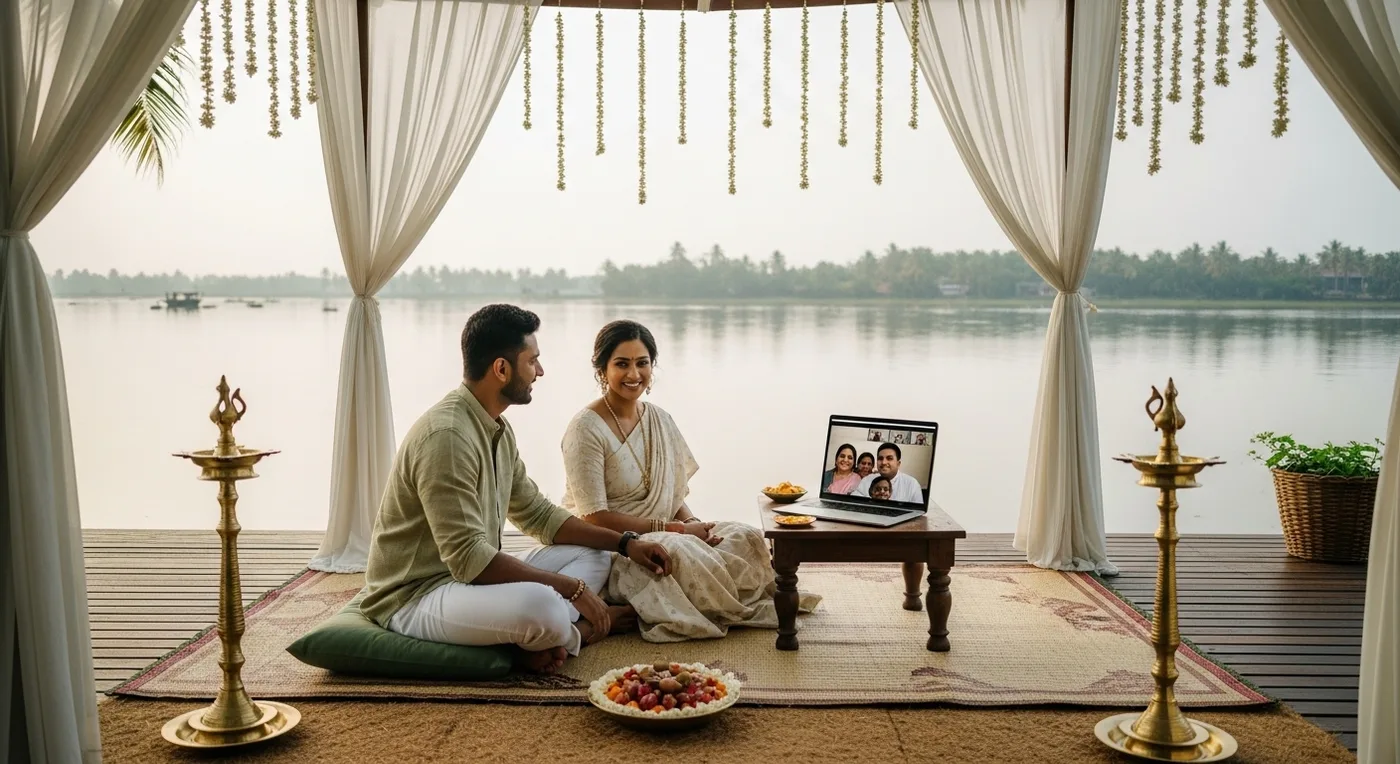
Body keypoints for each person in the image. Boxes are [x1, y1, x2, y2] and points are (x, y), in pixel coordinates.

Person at [359, 305, 673, 675]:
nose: (540, 371)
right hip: (418, 594)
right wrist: (571, 590)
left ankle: (542, 635)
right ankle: (579, 632)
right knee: (544, 606)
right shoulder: (447, 437)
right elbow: (468, 558)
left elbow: (538, 514)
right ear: (501, 369)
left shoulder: (496, 428)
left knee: (595, 552)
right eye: (533, 361)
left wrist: (626, 543)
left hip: (468, 580)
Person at [560, 319, 821, 642]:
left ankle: (721, 597)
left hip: (670, 527)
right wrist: (677, 530)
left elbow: (671, 491)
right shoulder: (585, 429)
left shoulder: (659, 418)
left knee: (746, 536)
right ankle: (698, 605)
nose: (633, 374)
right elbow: (592, 516)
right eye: (622, 364)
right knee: (683, 553)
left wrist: (695, 523)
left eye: (642, 363)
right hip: (618, 543)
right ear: (602, 369)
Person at [851, 443, 924, 503]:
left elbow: (917, 514)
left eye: (889, 458)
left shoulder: (912, 484)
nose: (883, 462)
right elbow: (855, 503)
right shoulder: (867, 480)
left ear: (898, 463)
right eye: (880, 458)